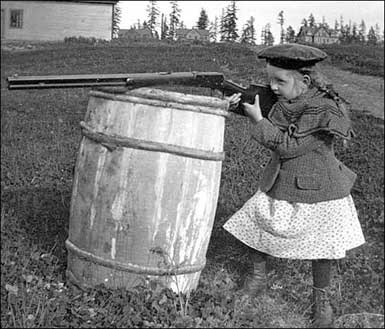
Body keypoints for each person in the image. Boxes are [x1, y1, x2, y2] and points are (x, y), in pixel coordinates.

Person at [223, 43, 365, 328]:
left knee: (323, 246)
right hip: (282, 179)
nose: (273, 87)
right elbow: (273, 113)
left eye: (280, 81)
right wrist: (236, 103)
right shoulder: (289, 98)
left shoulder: (323, 108)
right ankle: (258, 277)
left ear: (306, 81)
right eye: (270, 80)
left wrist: (258, 119)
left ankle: (320, 300)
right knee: (257, 222)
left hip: (320, 187)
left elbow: (289, 145)